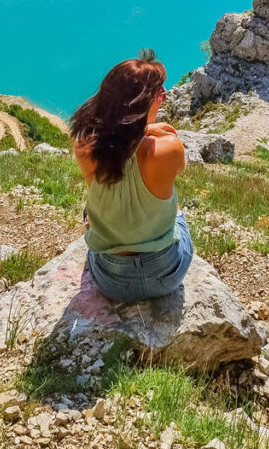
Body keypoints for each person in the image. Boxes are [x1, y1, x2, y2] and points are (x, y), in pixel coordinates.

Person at [70, 49, 193, 302]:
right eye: (160, 92)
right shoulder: (168, 147)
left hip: (111, 280)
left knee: (90, 207)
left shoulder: (85, 147)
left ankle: (96, 227)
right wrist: (155, 130)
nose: (165, 96)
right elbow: (178, 167)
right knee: (177, 211)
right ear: (143, 102)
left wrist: (143, 126)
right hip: (166, 274)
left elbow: (121, 142)